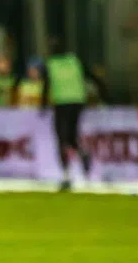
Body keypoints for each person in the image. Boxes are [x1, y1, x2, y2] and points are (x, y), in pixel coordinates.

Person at [41, 38, 108, 191]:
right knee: (71, 136)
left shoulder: (51, 64)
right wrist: (103, 92)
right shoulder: (75, 61)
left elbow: (46, 85)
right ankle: (82, 154)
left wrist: (43, 104)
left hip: (61, 103)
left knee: (61, 137)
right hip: (77, 102)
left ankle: (66, 176)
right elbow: (91, 77)